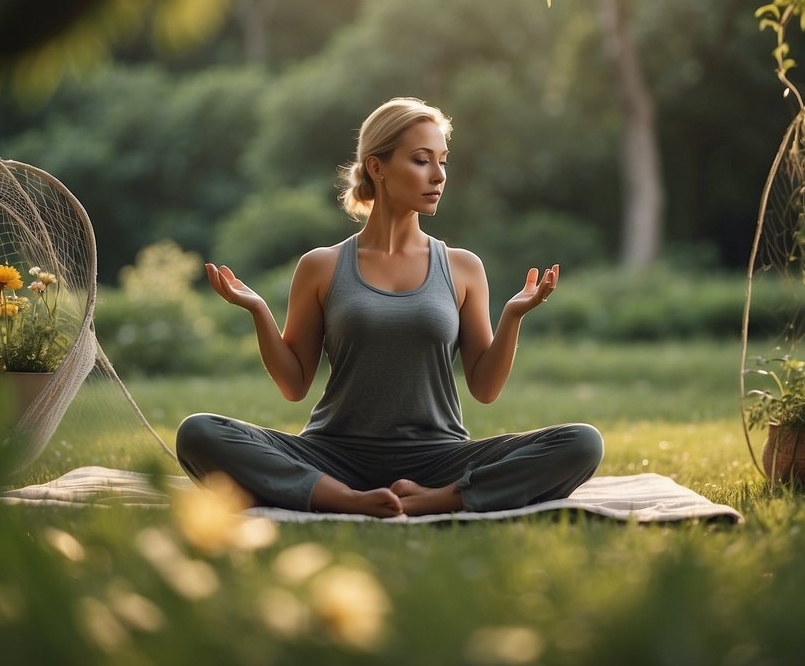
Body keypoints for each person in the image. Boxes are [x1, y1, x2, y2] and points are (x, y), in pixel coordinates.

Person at [176, 97, 603, 517]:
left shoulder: (463, 267)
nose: (439, 176)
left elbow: (485, 390)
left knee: (582, 443)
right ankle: (342, 498)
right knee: (198, 433)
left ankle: (439, 500)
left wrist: (512, 316)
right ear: (377, 168)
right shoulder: (321, 266)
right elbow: (294, 385)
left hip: (438, 460)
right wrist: (259, 311)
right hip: (331, 455)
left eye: (443, 161)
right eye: (422, 160)